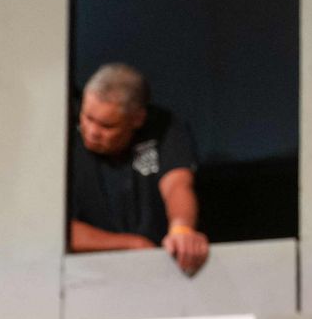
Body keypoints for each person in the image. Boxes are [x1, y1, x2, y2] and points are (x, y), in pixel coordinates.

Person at [68, 62, 209, 275]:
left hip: (161, 271)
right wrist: (132, 244)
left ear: (137, 119)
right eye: (87, 118)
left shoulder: (163, 127)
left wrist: (182, 230)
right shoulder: (64, 133)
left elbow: (177, 184)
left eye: (107, 126)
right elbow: (54, 229)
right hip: (88, 274)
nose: (92, 131)